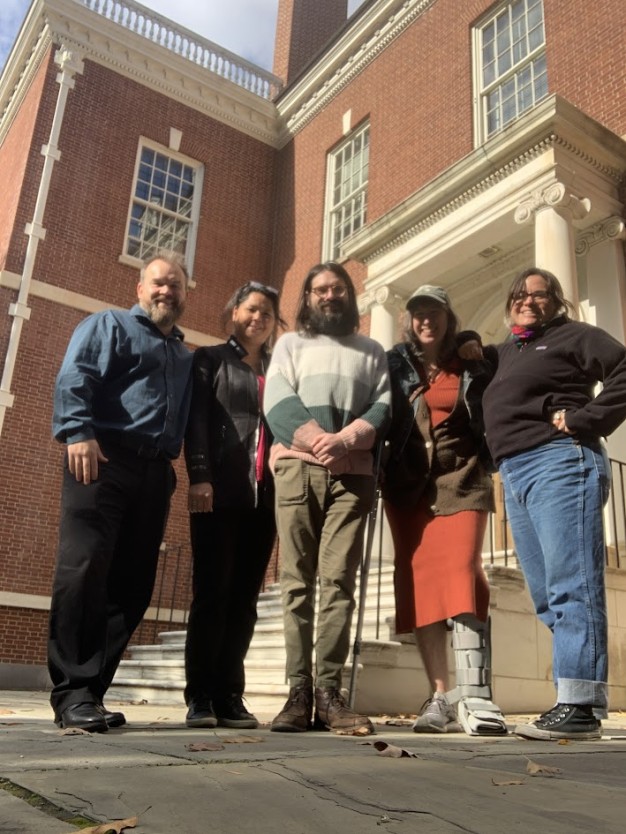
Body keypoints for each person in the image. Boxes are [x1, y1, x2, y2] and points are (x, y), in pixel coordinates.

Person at [48, 251, 193, 732]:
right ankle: (71, 693)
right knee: (85, 569)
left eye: (175, 284)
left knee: (133, 586)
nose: (165, 291)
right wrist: (77, 431)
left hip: (155, 472)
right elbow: (76, 375)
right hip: (101, 457)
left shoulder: (182, 354)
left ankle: (91, 693)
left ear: (184, 294)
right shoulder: (109, 324)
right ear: (140, 288)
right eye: (158, 282)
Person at [483, 267, 626, 740]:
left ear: (556, 302)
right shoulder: (503, 353)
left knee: (572, 585)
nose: (529, 301)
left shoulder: (573, 336)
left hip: (561, 462)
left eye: (540, 295)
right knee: (545, 595)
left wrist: (589, 418)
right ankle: (574, 695)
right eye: (520, 294)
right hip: (515, 473)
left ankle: (580, 706)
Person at [264, 262, 391, 734]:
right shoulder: (290, 345)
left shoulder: (371, 350)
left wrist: (347, 440)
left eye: (338, 288)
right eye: (319, 289)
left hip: (352, 476)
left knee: (339, 581)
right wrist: (320, 439)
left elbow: (384, 407)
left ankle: (330, 693)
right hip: (299, 470)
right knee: (297, 581)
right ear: (307, 298)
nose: (329, 295)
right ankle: (297, 694)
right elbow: (276, 400)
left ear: (349, 296)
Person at [382, 285, 507, 736]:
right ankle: (440, 697)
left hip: (463, 480)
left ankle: (475, 696)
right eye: (418, 313)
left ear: (448, 318)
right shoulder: (395, 362)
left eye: (434, 312)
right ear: (409, 320)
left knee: (461, 573)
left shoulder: (471, 360)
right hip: (408, 490)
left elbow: (500, 370)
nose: (426, 321)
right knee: (422, 589)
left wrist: (472, 339)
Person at [183, 281, 285, 729]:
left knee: (244, 600)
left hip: (264, 501)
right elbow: (198, 421)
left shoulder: (280, 369)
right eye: (251, 310)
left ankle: (230, 695)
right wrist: (200, 475)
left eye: (266, 313)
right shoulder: (209, 360)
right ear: (234, 313)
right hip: (219, 493)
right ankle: (200, 696)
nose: (257, 319)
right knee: (213, 594)